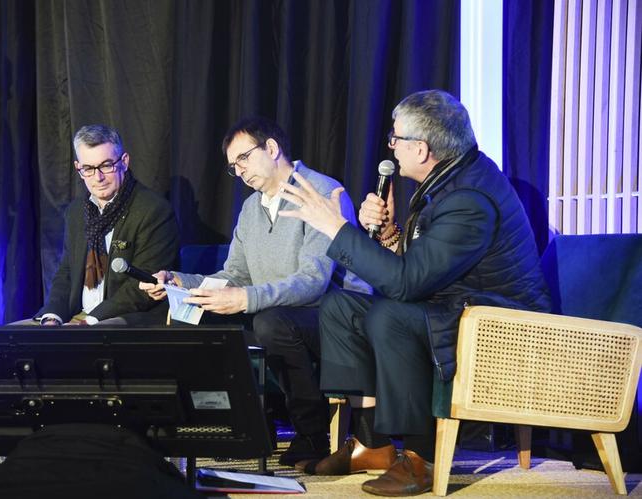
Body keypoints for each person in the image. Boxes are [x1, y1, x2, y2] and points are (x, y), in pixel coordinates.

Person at [277, 90, 550, 496]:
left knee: (389, 313)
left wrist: (336, 229)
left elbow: (406, 284)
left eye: (395, 138)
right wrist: (387, 235)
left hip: (499, 326)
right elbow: (420, 269)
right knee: (341, 306)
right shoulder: (449, 181)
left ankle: (421, 457)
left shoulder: (469, 199)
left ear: (421, 149)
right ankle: (373, 444)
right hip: (455, 307)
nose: (391, 146)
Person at [140, 116, 371, 466]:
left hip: (333, 315)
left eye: (244, 158)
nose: (240, 171)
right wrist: (179, 281)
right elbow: (235, 274)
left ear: (273, 148)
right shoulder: (251, 208)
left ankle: (312, 433)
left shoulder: (320, 192)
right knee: (196, 318)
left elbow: (313, 280)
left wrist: (245, 299)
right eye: (234, 166)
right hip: (275, 309)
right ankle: (243, 428)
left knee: (272, 322)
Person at [34, 124, 179, 326]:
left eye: (106, 165)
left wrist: (88, 323)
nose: (98, 177)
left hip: (125, 318)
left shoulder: (154, 211)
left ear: (124, 162)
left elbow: (142, 288)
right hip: (78, 318)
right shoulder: (76, 212)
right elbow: (66, 273)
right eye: (88, 169)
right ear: (78, 168)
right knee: (13, 340)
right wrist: (52, 317)